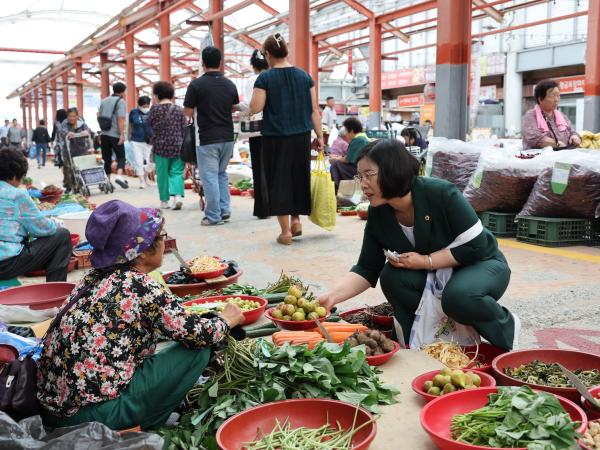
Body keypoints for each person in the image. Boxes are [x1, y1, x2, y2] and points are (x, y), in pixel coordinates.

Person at [37, 200, 245, 431]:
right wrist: (227, 319)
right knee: (197, 351)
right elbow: (201, 335)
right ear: (143, 251)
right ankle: (146, 423)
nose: (165, 241)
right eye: (161, 236)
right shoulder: (138, 285)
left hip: (53, 410)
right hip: (93, 417)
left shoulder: (92, 278)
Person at [317, 139, 518, 351]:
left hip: (480, 264)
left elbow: (478, 245)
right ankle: (417, 343)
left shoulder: (441, 193)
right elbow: (367, 268)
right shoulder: (379, 212)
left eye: (369, 174)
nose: (363, 183)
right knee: (392, 277)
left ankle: (505, 331)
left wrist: (426, 261)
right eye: (360, 176)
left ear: (392, 170)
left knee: (458, 297)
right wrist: (331, 297)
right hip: (437, 276)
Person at [249, 33, 324, 245]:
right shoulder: (304, 77)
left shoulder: (264, 78)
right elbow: (314, 110)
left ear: (268, 54)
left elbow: (256, 108)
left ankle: (285, 233)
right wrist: (319, 136)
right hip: (301, 137)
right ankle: (296, 220)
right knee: (298, 178)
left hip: (276, 138)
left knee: (279, 182)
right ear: (286, 52)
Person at [184, 46, 241, 226]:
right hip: (227, 137)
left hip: (207, 138)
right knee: (221, 174)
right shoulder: (230, 84)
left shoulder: (196, 85)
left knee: (209, 177)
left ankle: (213, 216)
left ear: (202, 62)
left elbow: (187, 111)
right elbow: (233, 107)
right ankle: (224, 210)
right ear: (220, 62)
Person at [0, 147, 72, 282]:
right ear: (15, 176)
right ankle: (55, 292)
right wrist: (56, 223)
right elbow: (44, 229)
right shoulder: (17, 195)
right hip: (6, 264)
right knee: (62, 236)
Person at [147, 81, 187, 210]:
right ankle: (177, 197)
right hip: (178, 145)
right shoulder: (179, 109)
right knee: (176, 172)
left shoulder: (155, 109)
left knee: (162, 174)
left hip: (161, 146)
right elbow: (184, 128)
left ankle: (164, 201)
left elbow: (149, 125)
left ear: (157, 95)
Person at [521, 79, 581, 150]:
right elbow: (533, 137)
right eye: (553, 96)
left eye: (558, 96)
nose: (556, 100)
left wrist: (574, 137)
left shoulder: (561, 115)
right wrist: (556, 143)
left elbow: (572, 131)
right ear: (540, 99)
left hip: (563, 155)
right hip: (539, 158)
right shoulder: (530, 116)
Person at [247, 49, 269, 219]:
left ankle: (263, 208)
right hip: (275, 129)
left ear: (253, 65)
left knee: (259, 167)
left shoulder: (252, 80)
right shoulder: (273, 77)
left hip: (256, 129)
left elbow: (251, 105)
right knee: (273, 167)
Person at [98, 82, 129, 189]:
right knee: (121, 156)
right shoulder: (121, 102)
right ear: (122, 91)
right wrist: (122, 134)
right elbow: (120, 119)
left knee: (107, 159)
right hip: (115, 134)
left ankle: (107, 181)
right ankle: (119, 176)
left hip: (104, 134)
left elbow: (99, 116)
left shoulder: (104, 100)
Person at [56, 108, 93, 194]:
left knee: (81, 168)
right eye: (69, 116)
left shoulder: (82, 123)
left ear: (77, 116)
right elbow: (62, 132)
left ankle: (83, 185)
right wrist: (68, 133)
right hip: (69, 150)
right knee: (69, 169)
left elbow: (89, 131)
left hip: (81, 149)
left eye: (73, 116)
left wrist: (86, 132)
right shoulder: (65, 123)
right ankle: (69, 186)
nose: (71, 118)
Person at [329, 117, 369, 192]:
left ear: (352, 130)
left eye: (346, 131)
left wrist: (335, 159)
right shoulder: (362, 138)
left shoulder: (358, 140)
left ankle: (338, 190)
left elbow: (347, 160)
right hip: (362, 169)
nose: (346, 134)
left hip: (360, 171)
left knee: (336, 165)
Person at [128, 96, 154, 189]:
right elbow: (130, 124)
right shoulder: (133, 112)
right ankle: (142, 181)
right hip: (136, 140)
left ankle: (146, 176)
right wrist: (129, 135)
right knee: (138, 161)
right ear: (138, 105)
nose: (145, 107)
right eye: (143, 105)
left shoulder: (152, 112)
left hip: (149, 141)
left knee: (150, 162)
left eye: (147, 105)